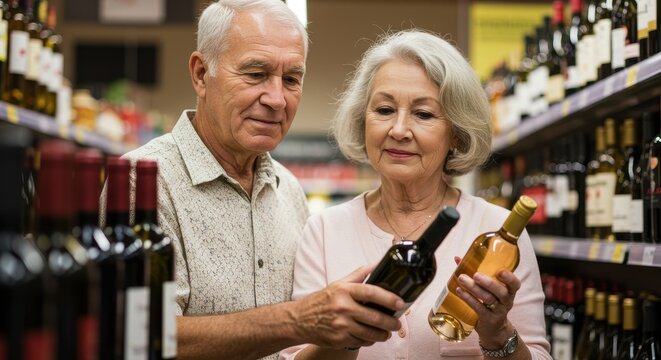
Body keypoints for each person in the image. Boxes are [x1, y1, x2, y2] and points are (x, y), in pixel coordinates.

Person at [119, 1, 406, 359]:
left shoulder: (288, 190)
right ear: (200, 74)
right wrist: (298, 320)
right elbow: (140, 335)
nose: (276, 99)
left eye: (291, 80)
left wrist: (348, 331)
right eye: (255, 74)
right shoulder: (142, 181)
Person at [280, 30, 552, 360]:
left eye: (423, 114)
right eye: (383, 110)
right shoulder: (323, 232)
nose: (398, 130)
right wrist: (346, 334)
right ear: (362, 120)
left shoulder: (497, 233)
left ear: (456, 134)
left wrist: (497, 334)